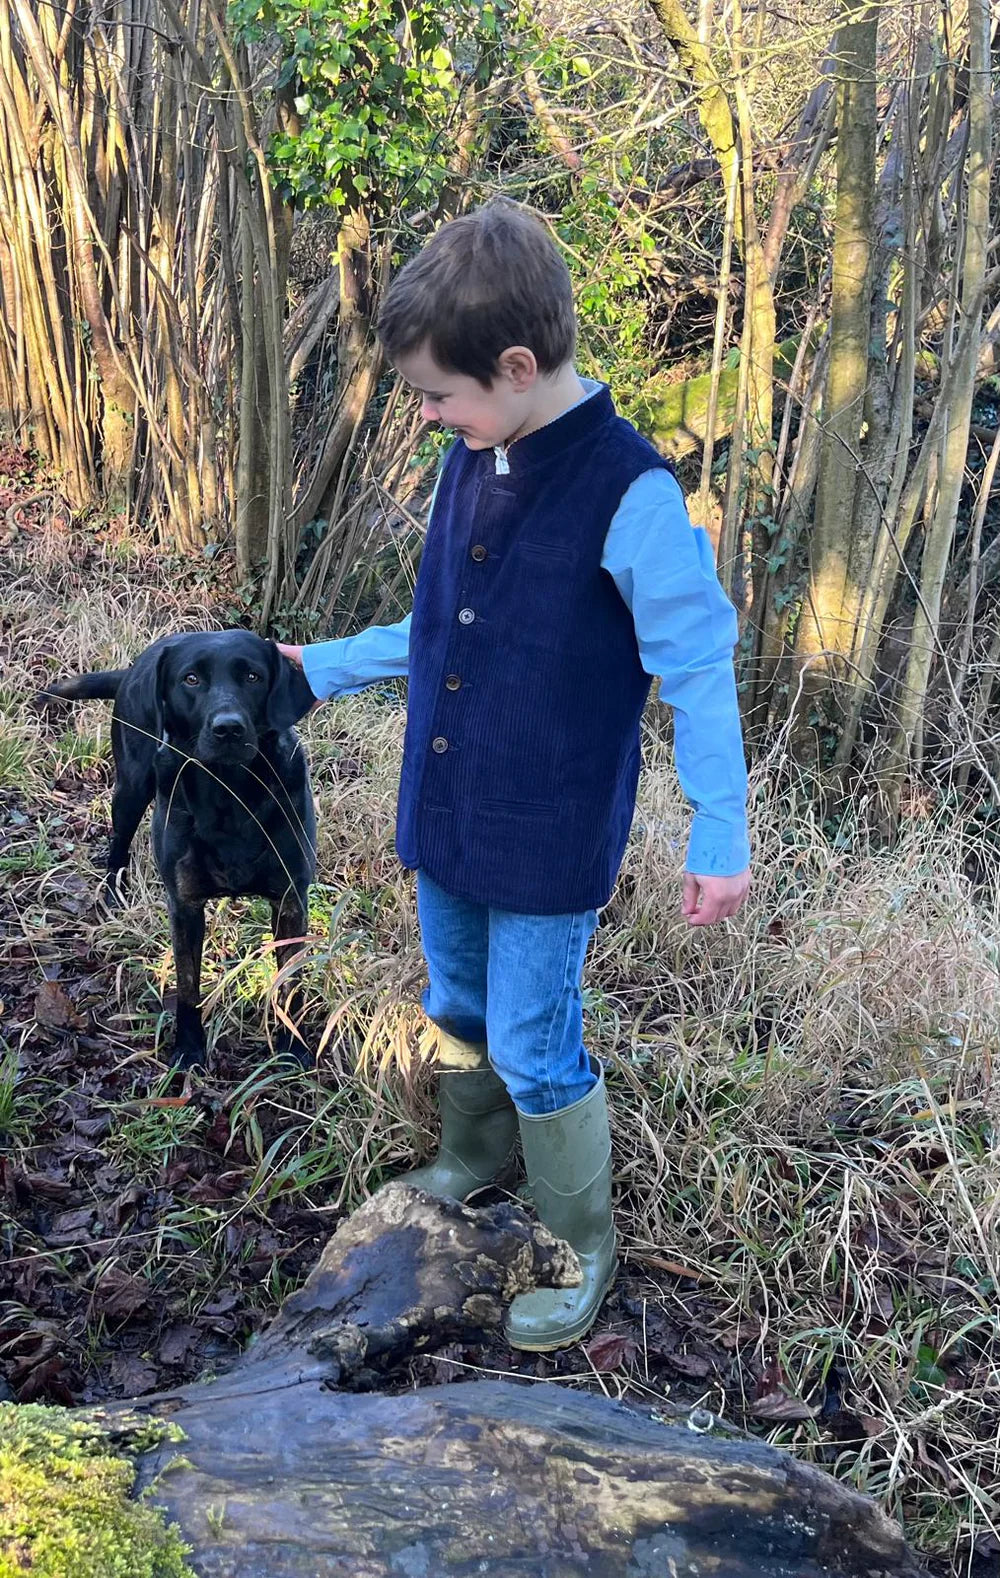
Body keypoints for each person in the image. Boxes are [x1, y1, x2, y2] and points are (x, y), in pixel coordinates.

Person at [279, 198, 751, 1352]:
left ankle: (578, 1241)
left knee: (537, 1043)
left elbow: (697, 664)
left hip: (546, 835)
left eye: (438, 394)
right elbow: (441, 624)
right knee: (456, 1004)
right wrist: (321, 669)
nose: (427, 414)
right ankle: (472, 1154)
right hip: (448, 812)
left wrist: (720, 828)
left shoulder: (630, 494)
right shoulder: (473, 454)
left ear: (519, 367)